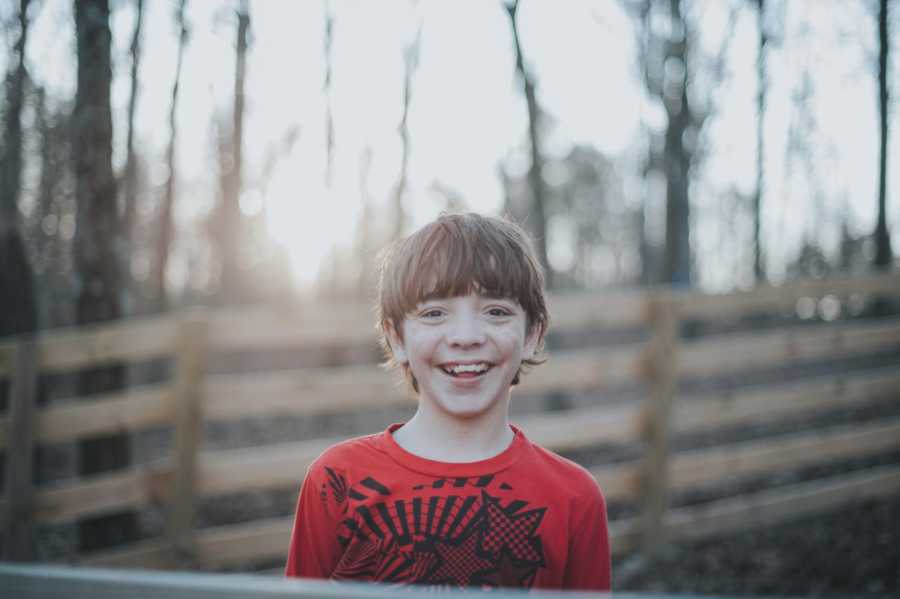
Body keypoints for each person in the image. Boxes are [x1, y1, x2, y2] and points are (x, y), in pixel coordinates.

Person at [285, 212, 611, 590]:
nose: (466, 336)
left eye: (496, 312)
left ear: (532, 335)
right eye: (434, 313)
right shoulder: (335, 480)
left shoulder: (575, 497)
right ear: (397, 339)